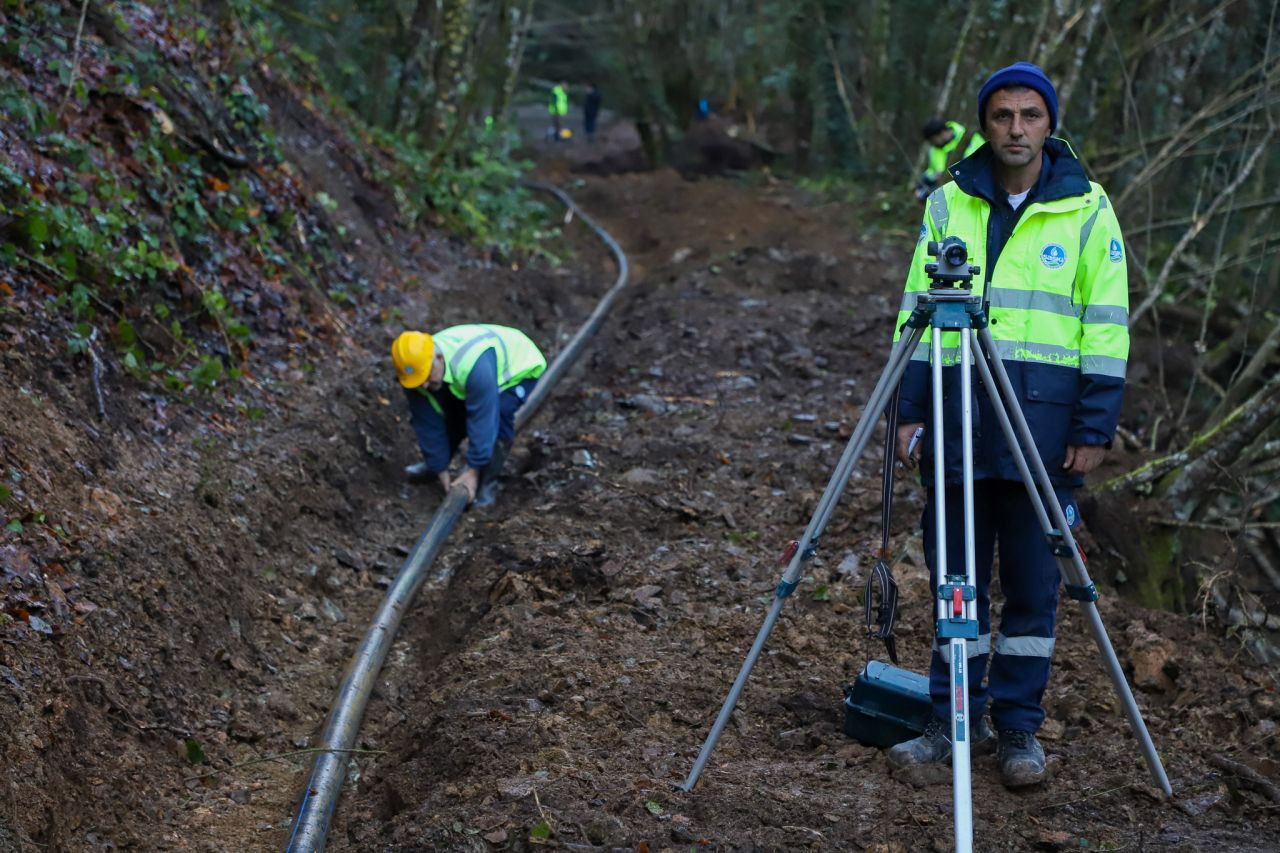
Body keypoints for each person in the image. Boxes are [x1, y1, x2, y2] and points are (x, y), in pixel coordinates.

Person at [886, 62, 1129, 788]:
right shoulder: (947, 203)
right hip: (960, 419)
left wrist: (1094, 426)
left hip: (1044, 431)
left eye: (1030, 115)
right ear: (984, 123)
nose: (1016, 129)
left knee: (1030, 589)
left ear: (1049, 123)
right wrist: (908, 409)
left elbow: (1107, 325)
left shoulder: (1087, 207)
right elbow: (914, 314)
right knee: (954, 581)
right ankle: (951, 717)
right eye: (1002, 116)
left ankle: (1019, 728)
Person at [391, 324, 546, 506]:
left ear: (439, 358)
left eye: (426, 377)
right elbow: (427, 421)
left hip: (519, 365)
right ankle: (435, 465)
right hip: (470, 374)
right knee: (452, 412)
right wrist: (439, 469)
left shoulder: (472, 365)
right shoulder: (415, 374)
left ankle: (486, 483)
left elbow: (483, 419)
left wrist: (473, 470)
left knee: (499, 414)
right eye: (418, 380)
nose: (423, 385)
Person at [916, 117, 984, 200]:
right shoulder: (935, 150)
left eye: (934, 140)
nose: (933, 143)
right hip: (945, 191)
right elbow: (932, 170)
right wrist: (927, 180)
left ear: (943, 133)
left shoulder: (970, 139)